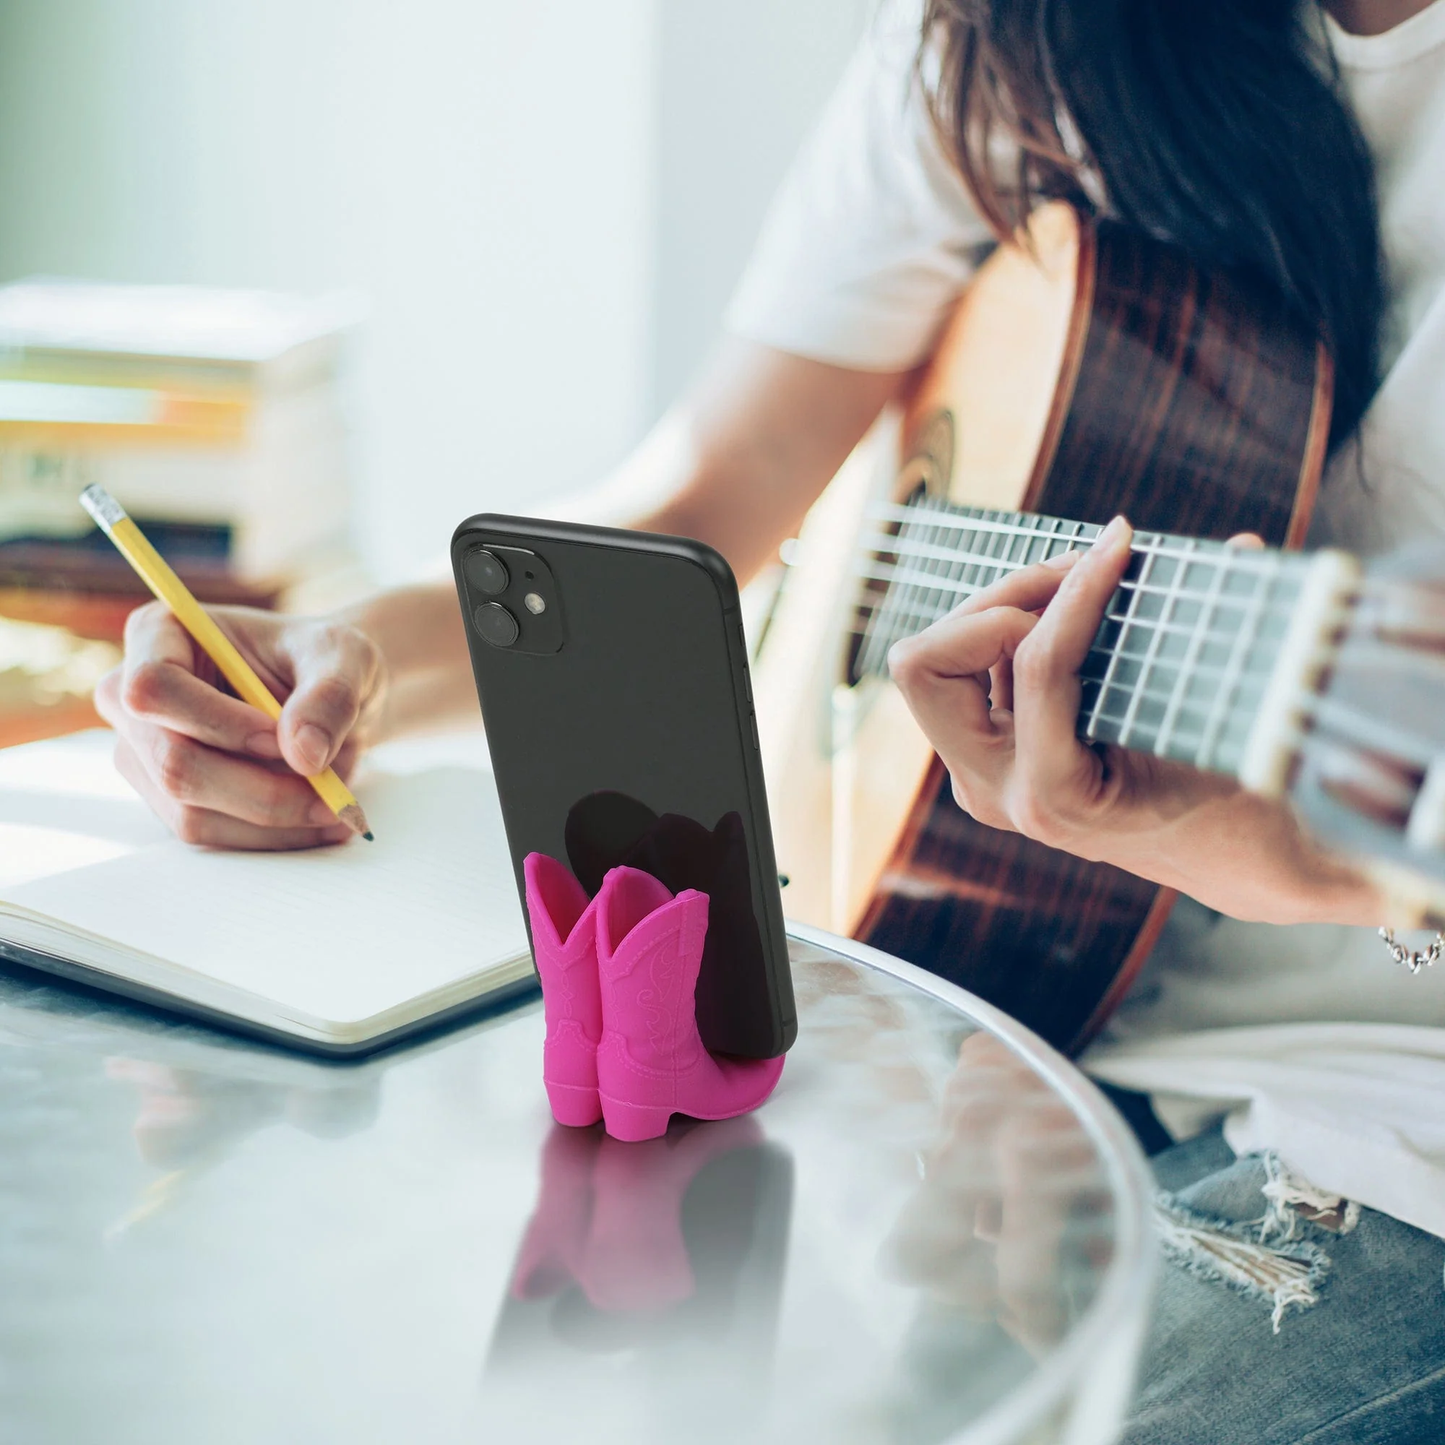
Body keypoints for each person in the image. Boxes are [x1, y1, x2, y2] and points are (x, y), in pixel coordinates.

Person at [96, 0, 1445, 1437]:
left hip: (1385, 1113)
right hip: (984, 1001)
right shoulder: (1020, 41)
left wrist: (1335, 871)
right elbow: (704, 513)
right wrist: (347, 654)